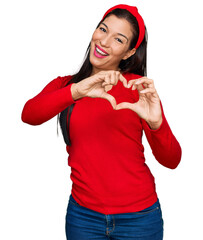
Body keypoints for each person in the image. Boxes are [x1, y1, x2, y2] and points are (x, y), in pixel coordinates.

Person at [21, 4, 182, 240]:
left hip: (139, 218)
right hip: (83, 217)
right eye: (103, 29)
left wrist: (157, 124)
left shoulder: (137, 88)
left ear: (128, 52)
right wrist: (76, 91)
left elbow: (172, 161)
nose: (104, 41)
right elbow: (29, 115)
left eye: (118, 39)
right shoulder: (67, 86)